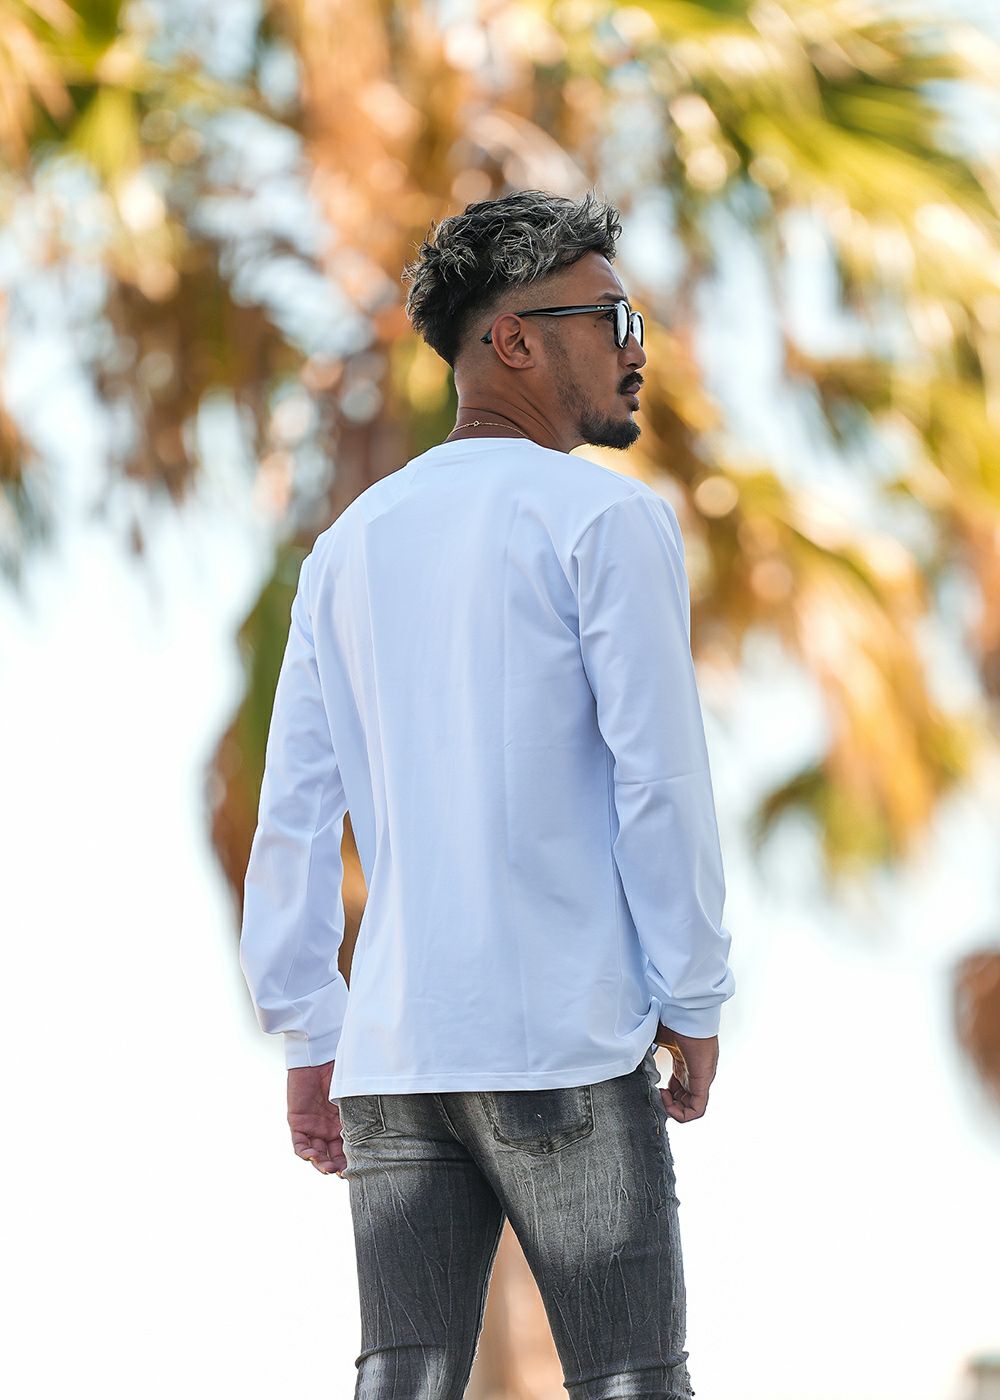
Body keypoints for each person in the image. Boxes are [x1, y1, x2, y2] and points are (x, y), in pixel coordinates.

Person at [239, 187, 736, 1400]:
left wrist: (311, 1029)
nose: (633, 348)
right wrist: (692, 991)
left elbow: (292, 807)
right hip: (562, 1031)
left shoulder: (348, 544)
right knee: (632, 1378)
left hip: (395, 1055)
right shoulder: (605, 516)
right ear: (511, 338)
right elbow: (659, 778)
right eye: (609, 317)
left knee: (399, 1381)